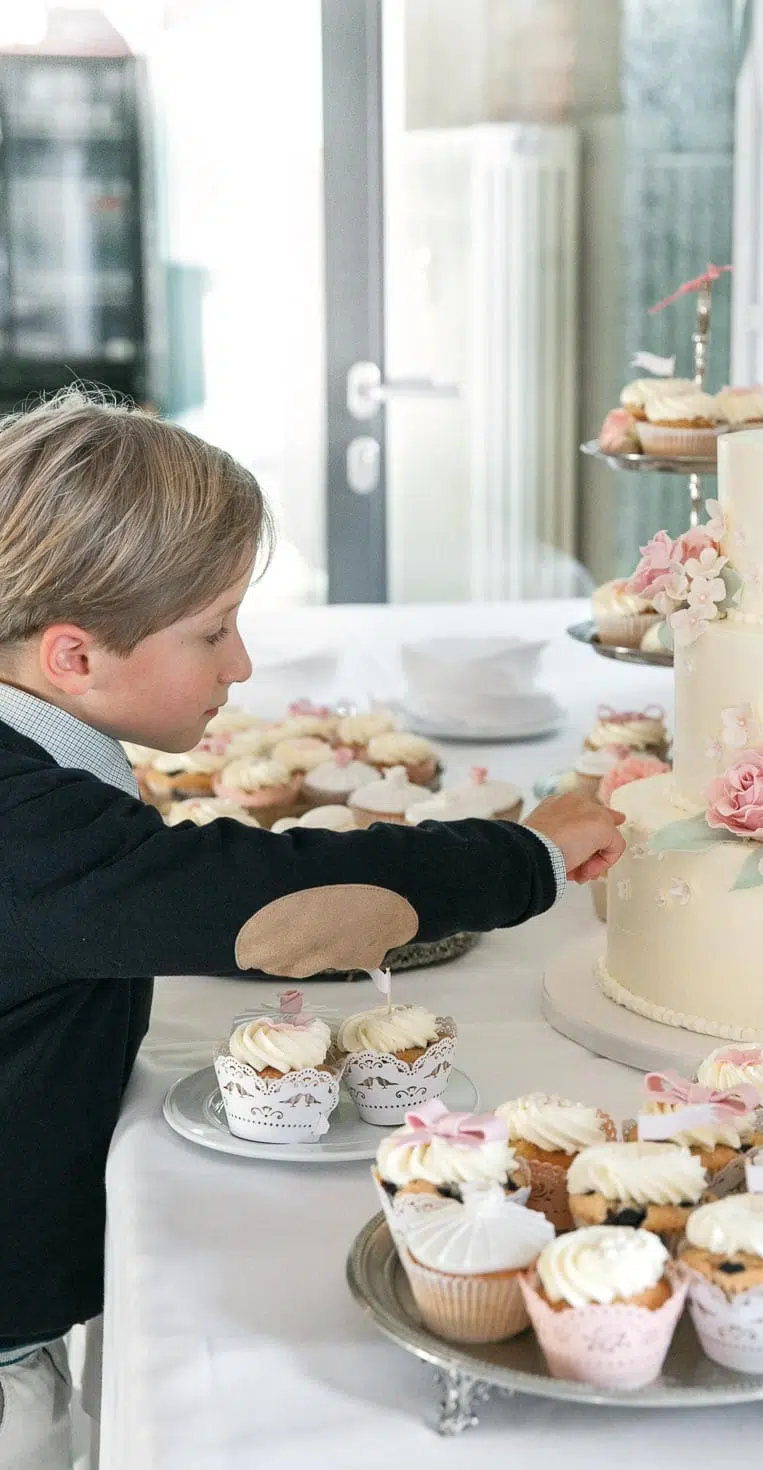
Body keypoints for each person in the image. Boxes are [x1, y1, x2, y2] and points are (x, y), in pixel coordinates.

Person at [0, 390, 625, 1468]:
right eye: (212, 632)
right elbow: (260, 903)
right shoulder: (29, 832)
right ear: (73, 657)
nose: (239, 665)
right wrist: (528, 853)